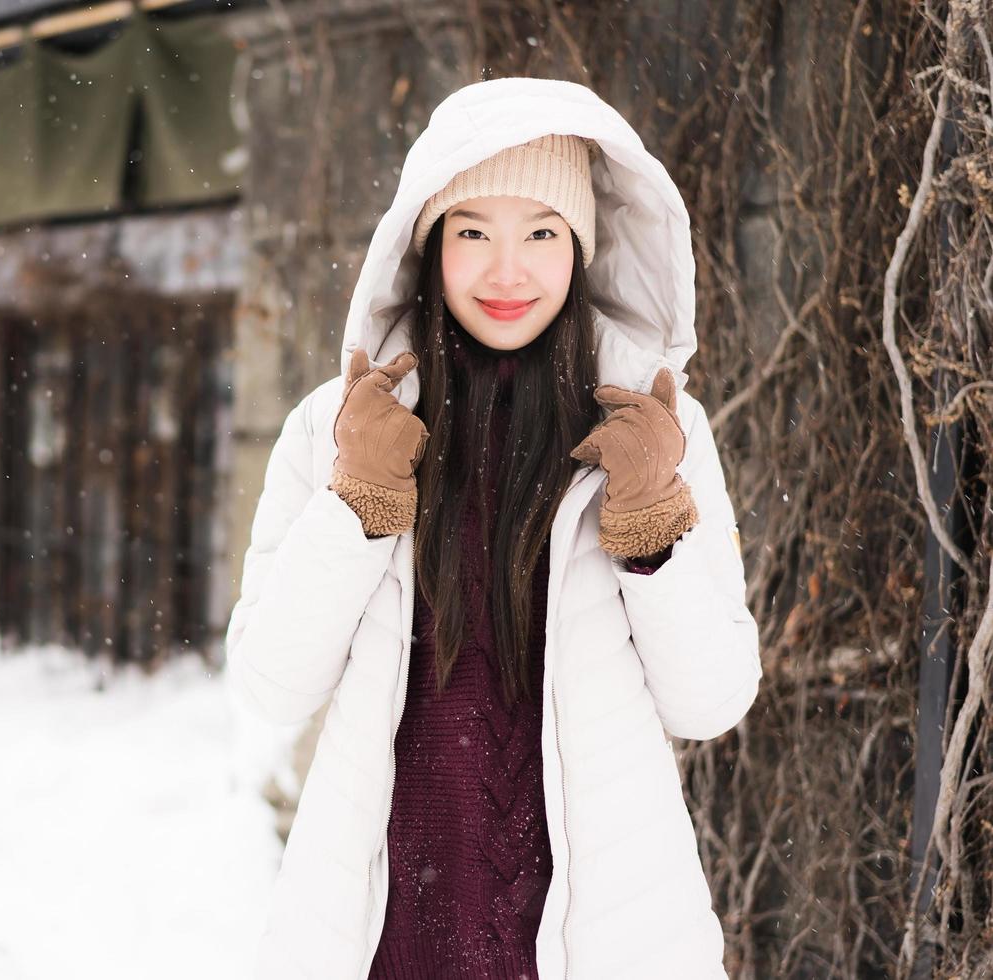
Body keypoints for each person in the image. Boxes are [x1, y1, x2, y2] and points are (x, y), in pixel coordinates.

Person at [224, 76, 762, 979]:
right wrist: (358, 502)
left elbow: (711, 702)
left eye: (542, 233)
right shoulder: (340, 427)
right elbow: (271, 685)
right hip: (388, 935)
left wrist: (651, 528)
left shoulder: (655, 432)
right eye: (472, 231)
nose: (506, 271)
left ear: (580, 248)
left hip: (603, 939)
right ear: (428, 244)